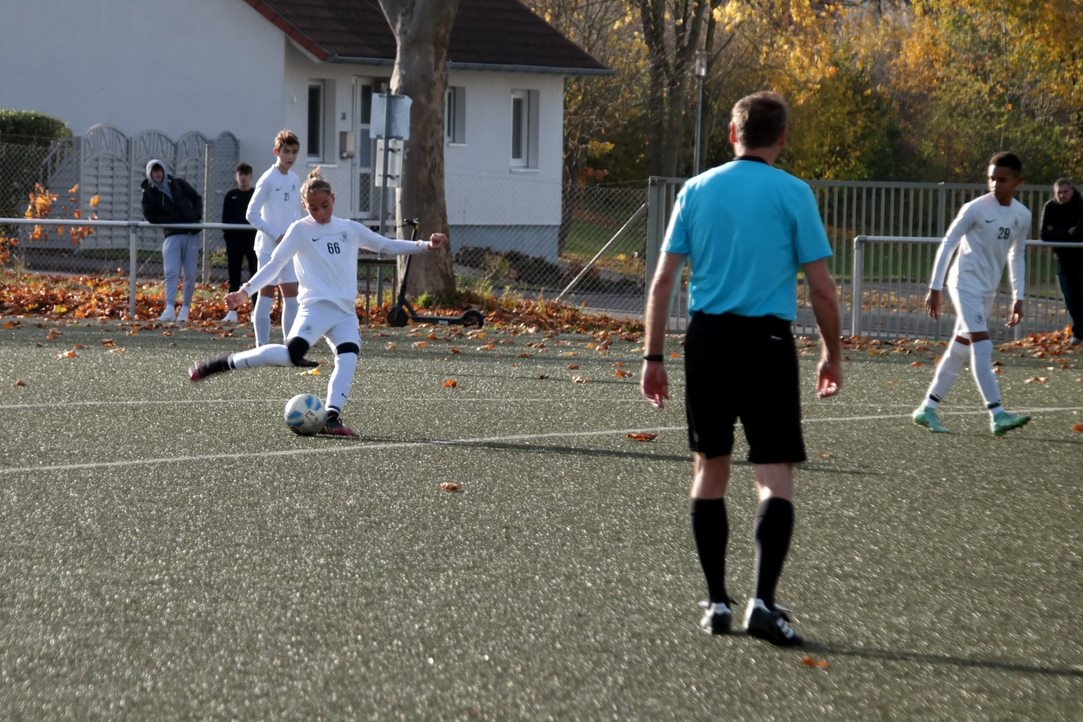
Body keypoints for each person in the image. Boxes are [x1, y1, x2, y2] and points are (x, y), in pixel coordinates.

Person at [640, 91, 843, 646]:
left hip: (707, 341)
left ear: (732, 135)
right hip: (768, 342)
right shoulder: (794, 193)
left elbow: (662, 282)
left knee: (710, 471)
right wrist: (833, 352)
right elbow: (822, 289)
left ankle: (717, 603)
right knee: (774, 475)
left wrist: (652, 356)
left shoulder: (697, 189)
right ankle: (763, 603)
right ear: (782, 138)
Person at [188, 168, 448, 437]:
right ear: (304, 206)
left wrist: (425, 245)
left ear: (333, 199)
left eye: (324, 205)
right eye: (312, 208)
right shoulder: (299, 230)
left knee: (348, 357)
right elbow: (275, 264)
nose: (320, 212)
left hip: (345, 312)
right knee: (292, 355)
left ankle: (331, 417)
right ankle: (220, 364)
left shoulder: (349, 228)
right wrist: (245, 291)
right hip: (316, 307)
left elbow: (386, 245)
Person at [912, 152, 1033, 436]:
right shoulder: (974, 209)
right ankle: (997, 413)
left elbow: (1018, 255)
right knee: (983, 343)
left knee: (960, 349)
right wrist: (936, 287)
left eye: (1002, 179)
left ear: (1018, 181)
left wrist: (1020, 296)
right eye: (991, 178)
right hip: (963, 284)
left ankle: (927, 409)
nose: (995, 184)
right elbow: (948, 243)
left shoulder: (1022, 215)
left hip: (987, 289)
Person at [246, 129, 305, 345]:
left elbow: (294, 212)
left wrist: (296, 234)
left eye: (294, 152)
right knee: (266, 295)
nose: (290, 156)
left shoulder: (295, 179)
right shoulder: (268, 179)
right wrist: (275, 234)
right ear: (276, 152)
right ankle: (262, 346)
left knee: (292, 297)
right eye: (286, 151)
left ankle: (290, 347)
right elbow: (251, 214)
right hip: (268, 248)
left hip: (288, 247)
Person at [141, 159, 203, 322]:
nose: (158, 173)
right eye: (154, 171)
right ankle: (169, 308)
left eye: (159, 170)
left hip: (191, 233)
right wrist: (170, 219)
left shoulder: (178, 183)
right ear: (150, 174)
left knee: (189, 274)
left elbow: (196, 198)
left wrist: (195, 216)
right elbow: (150, 215)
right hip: (172, 234)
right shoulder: (149, 192)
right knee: (171, 272)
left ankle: (185, 309)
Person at [1039, 178, 1083, 345]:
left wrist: (1057, 231)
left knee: (1081, 294)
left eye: (1065, 192)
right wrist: (1067, 231)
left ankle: (1079, 332)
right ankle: (1079, 332)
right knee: (1070, 297)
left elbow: (1080, 233)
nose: (1062, 195)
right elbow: (1044, 235)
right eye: (1059, 193)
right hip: (1063, 259)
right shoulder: (1050, 207)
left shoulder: (1080, 205)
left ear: (1071, 191)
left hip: (1081, 258)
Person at [220, 162, 258, 323]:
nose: (243, 178)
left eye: (246, 174)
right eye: (240, 174)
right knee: (233, 275)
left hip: (252, 241)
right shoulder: (230, 195)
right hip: (234, 242)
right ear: (236, 176)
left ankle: (256, 310)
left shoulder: (255, 194)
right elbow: (225, 220)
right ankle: (232, 311)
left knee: (255, 275)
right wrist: (229, 238)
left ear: (250, 176)